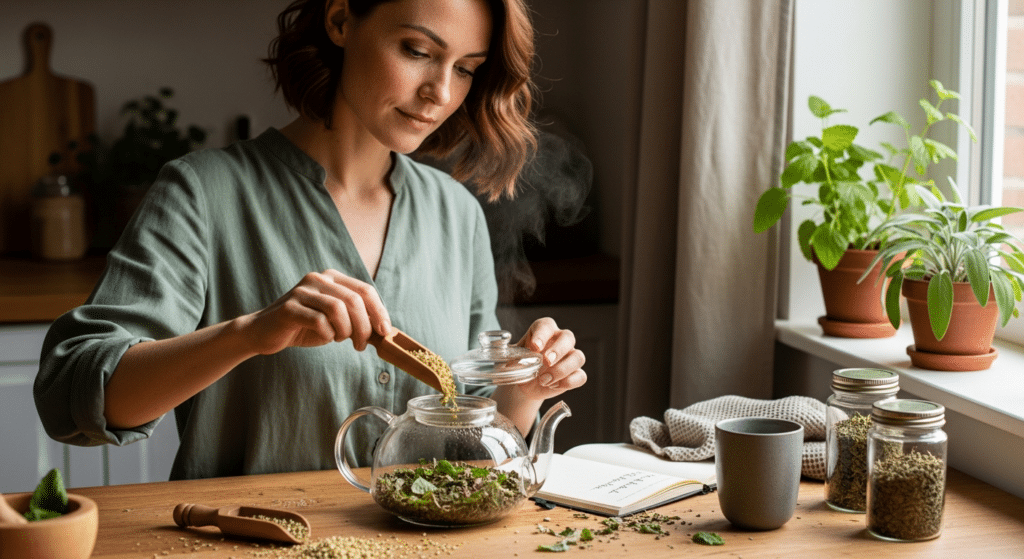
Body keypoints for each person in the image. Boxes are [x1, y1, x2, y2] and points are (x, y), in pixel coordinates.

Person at [34, 0, 587, 481]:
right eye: (417, 50)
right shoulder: (203, 193)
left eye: (466, 69)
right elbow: (72, 396)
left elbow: (465, 455)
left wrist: (522, 394)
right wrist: (251, 333)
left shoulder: (456, 214)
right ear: (341, 19)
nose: (439, 92)